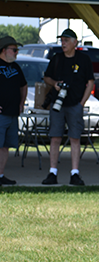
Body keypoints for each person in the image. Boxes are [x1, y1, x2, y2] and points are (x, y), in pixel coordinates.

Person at [41, 28, 94, 186]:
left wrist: (81, 104)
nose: (63, 43)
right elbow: (46, 78)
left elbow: (90, 82)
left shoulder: (84, 59)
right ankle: (52, 172)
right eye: (62, 40)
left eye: (66, 40)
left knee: (75, 139)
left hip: (75, 106)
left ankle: (74, 173)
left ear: (74, 43)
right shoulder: (57, 58)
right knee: (55, 137)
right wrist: (55, 84)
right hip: (58, 105)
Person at [0, 36, 27, 186]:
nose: (17, 53)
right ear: (4, 50)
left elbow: (23, 86)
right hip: (1, 114)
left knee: (5, 146)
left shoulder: (16, 67)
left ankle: (1, 175)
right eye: (14, 50)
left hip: (12, 114)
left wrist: (21, 103)